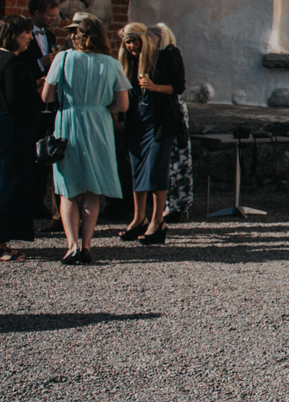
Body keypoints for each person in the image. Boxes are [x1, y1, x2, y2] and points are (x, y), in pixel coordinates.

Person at [43, 15, 130, 265]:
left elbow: (46, 96)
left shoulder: (64, 58)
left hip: (69, 120)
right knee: (92, 189)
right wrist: (102, 106)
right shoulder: (112, 64)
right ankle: (87, 244)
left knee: (69, 189)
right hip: (99, 123)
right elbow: (122, 103)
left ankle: (71, 246)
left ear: (76, 36)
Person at [0, 15, 40, 262]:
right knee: (8, 184)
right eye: (27, 33)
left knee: (4, 180)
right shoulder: (12, 63)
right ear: (15, 34)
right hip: (12, 127)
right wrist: (37, 92)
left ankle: (1, 241)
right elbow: (17, 101)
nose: (30, 38)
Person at [117, 22, 184, 246]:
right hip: (136, 123)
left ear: (144, 39)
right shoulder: (128, 63)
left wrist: (154, 86)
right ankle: (139, 218)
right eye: (127, 42)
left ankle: (158, 221)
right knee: (138, 170)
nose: (131, 46)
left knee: (156, 168)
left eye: (135, 41)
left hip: (159, 123)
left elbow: (178, 87)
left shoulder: (165, 57)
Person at [25, 0, 61, 219]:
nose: (52, 19)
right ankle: (30, 201)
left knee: (45, 153)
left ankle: (39, 200)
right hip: (30, 98)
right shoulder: (24, 34)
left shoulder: (50, 35)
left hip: (47, 100)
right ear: (37, 12)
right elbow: (20, 64)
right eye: (49, 14)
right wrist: (42, 63)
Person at [154, 23, 193, 222]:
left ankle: (176, 204)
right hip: (169, 110)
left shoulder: (170, 53)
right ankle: (173, 204)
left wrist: (154, 87)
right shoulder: (166, 53)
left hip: (171, 112)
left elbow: (177, 86)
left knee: (176, 158)